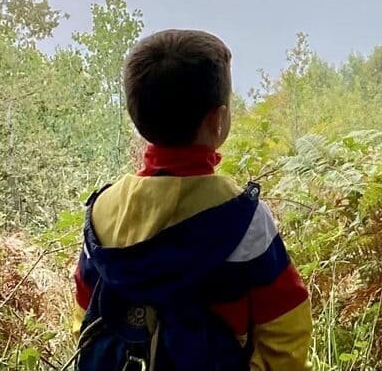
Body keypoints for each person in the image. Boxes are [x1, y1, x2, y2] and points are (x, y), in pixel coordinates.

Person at [73, 29, 312, 371]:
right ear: (216, 121)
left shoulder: (101, 211)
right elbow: (286, 324)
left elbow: (85, 309)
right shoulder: (246, 219)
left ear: (138, 119)